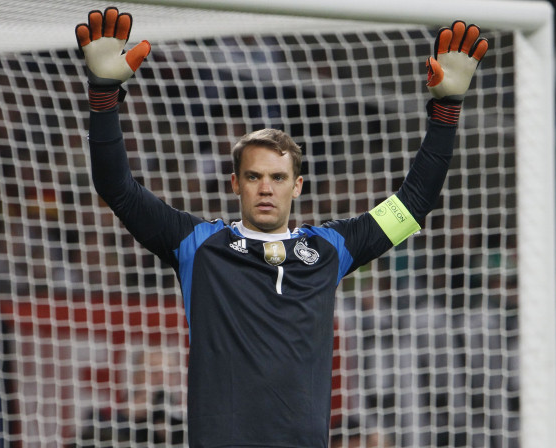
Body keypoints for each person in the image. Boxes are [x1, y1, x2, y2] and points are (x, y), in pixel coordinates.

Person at [75, 7, 488, 447]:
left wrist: (446, 110)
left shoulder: (330, 248)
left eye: (278, 178)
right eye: (254, 176)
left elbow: (413, 205)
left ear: (298, 186)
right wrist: (103, 96)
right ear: (236, 183)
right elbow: (116, 187)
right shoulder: (197, 244)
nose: (265, 188)